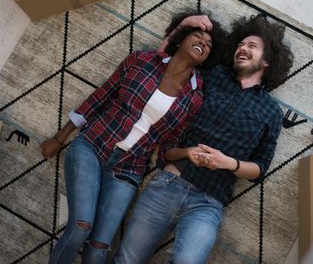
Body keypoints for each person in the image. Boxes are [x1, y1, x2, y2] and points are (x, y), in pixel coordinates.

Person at [40, 12, 226, 264]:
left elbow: (169, 147)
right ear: (180, 39)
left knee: (99, 246)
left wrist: (187, 153)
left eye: (208, 45)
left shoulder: (195, 97)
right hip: (92, 146)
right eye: (197, 36)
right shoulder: (142, 60)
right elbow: (100, 96)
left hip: (128, 169)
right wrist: (60, 137)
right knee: (81, 225)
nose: (203, 43)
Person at [114, 14, 294, 264]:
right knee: (126, 259)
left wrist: (228, 163)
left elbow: (260, 168)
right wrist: (187, 22)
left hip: (208, 203)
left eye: (252, 46)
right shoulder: (213, 76)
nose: (243, 48)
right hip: (169, 183)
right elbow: (167, 60)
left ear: (267, 62)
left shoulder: (271, 113)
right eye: (241, 45)